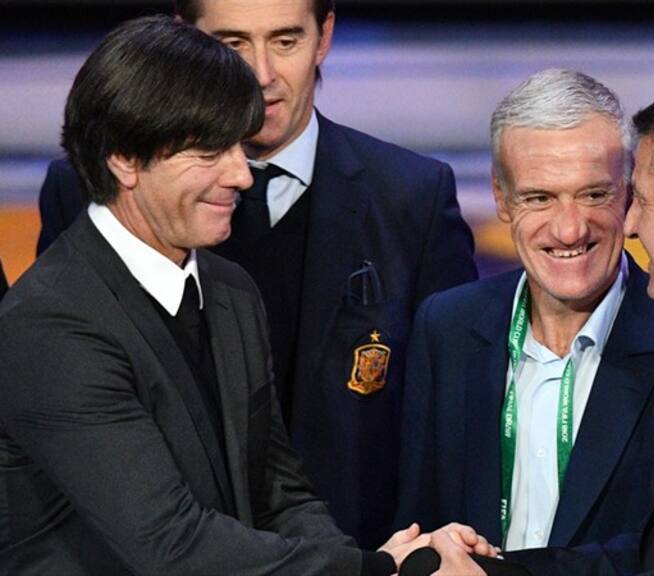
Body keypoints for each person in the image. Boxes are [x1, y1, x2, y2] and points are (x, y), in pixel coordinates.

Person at [0, 16, 490, 575]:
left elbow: (279, 489)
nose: (242, 174)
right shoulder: (49, 327)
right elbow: (172, 544)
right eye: (208, 152)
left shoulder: (229, 290)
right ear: (125, 159)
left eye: (237, 145)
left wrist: (359, 564)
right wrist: (376, 572)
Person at [410, 74, 654, 575]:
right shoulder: (446, 327)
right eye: (539, 197)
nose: (570, 228)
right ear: (500, 195)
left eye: (596, 195)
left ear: (625, 190)